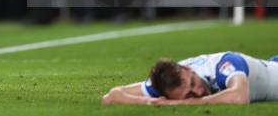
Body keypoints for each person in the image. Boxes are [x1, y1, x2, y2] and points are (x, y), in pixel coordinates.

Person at [102, 52, 278, 105]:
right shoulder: (167, 82)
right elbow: (111, 97)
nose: (199, 92)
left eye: (193, 84)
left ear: (188, 70)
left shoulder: (224, 65)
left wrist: (178, 103)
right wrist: (150, 102)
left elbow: (239, 97)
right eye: (189, 95)